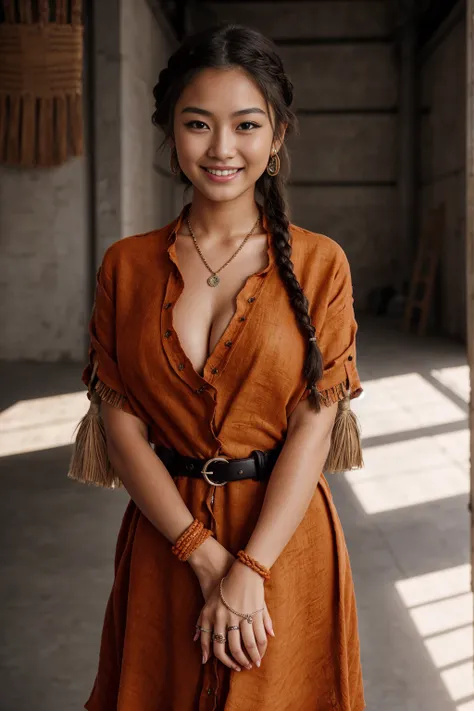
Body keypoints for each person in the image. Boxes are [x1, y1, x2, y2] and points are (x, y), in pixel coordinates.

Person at [69, 23, 365, 711]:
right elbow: (120, 423)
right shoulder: (126, 264)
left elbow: (313, 428)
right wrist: (204, 556)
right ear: (170, 131)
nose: (223, 148)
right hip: (165, 544)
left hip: (284, 543)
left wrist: (249, 569)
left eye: (246, 124)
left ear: (278, 135)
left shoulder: (322, 264)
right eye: (198, 123)